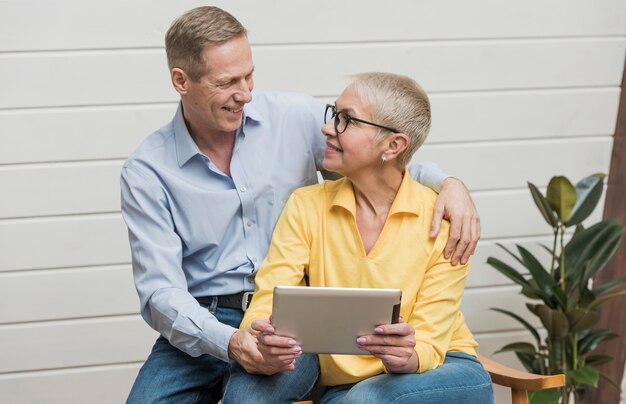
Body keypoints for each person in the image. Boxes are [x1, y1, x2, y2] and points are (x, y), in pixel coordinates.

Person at [120, 6, 480, 403]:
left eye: (249, 75)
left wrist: (451, 184)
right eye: (227, 82)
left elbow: (383, 157)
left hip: (291, 321)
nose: (245, 94)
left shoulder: (292, 117)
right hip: (202, 320)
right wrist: (232, 341)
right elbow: (160, 292)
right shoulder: (147, 170)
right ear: (181, 80)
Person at [223, 72, 494, 403]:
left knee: (365, 400)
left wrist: (406, 355)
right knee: (248, 396)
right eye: (333, 114)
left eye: (345, 120)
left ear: (393, 145)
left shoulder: (443, 221)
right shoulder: (307, 205)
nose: (327, 128)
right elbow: (271, 291)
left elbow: (430, 341)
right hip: (348, 385)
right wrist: (262, 333)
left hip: (440, 368)